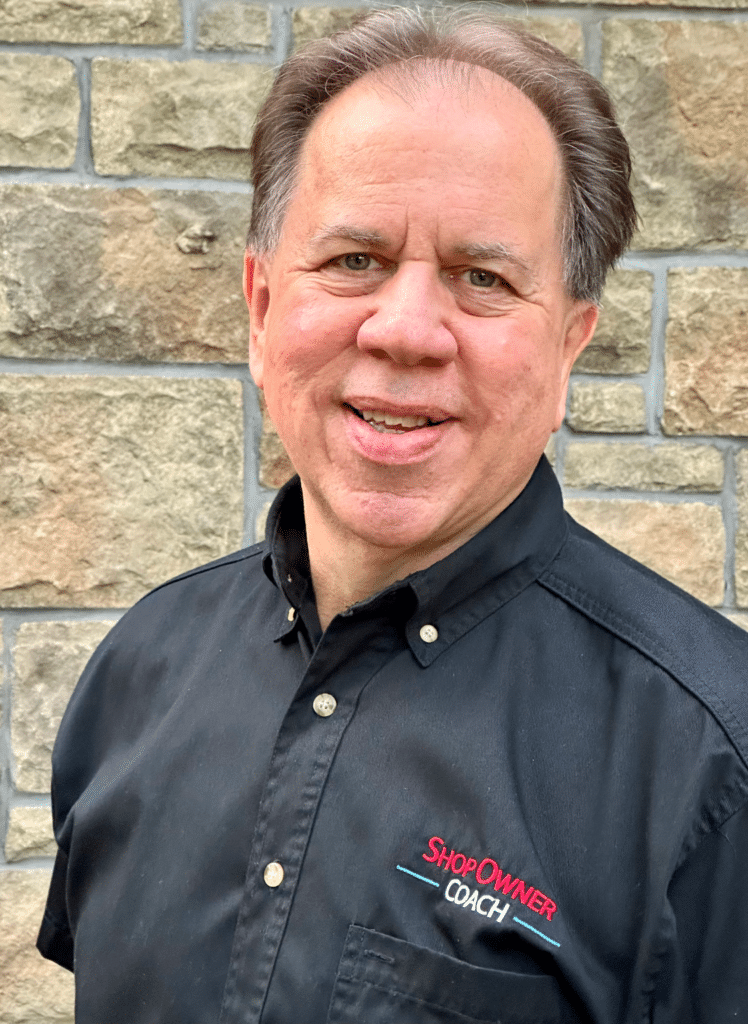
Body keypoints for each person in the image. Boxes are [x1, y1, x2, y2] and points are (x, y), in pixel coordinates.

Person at [38, 7, 748, 1023]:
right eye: (354, 259)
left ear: (568, 348)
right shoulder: (140, 667)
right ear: (261, 306)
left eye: (482, 277)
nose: (408, 330)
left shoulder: (709, 764)